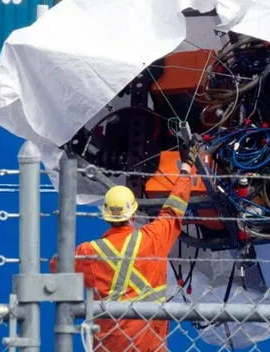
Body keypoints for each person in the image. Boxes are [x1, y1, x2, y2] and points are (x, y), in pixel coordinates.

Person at [51, 145, 198, 351]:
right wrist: (186, 168)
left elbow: (57, 266)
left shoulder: (89, 252)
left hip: (109, 345)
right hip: (149, 344)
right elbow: (174, 210)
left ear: (106, 214)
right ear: (133, 214)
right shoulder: (152, 239)